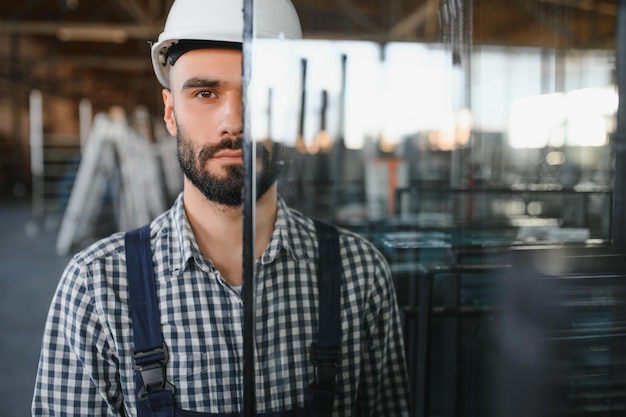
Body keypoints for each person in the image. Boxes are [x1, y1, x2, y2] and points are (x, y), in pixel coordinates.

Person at [32, 0, 410, 416]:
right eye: (205, 93)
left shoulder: (360, 275)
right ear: (171, 112)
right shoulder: (98, 288)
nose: (235, 120)